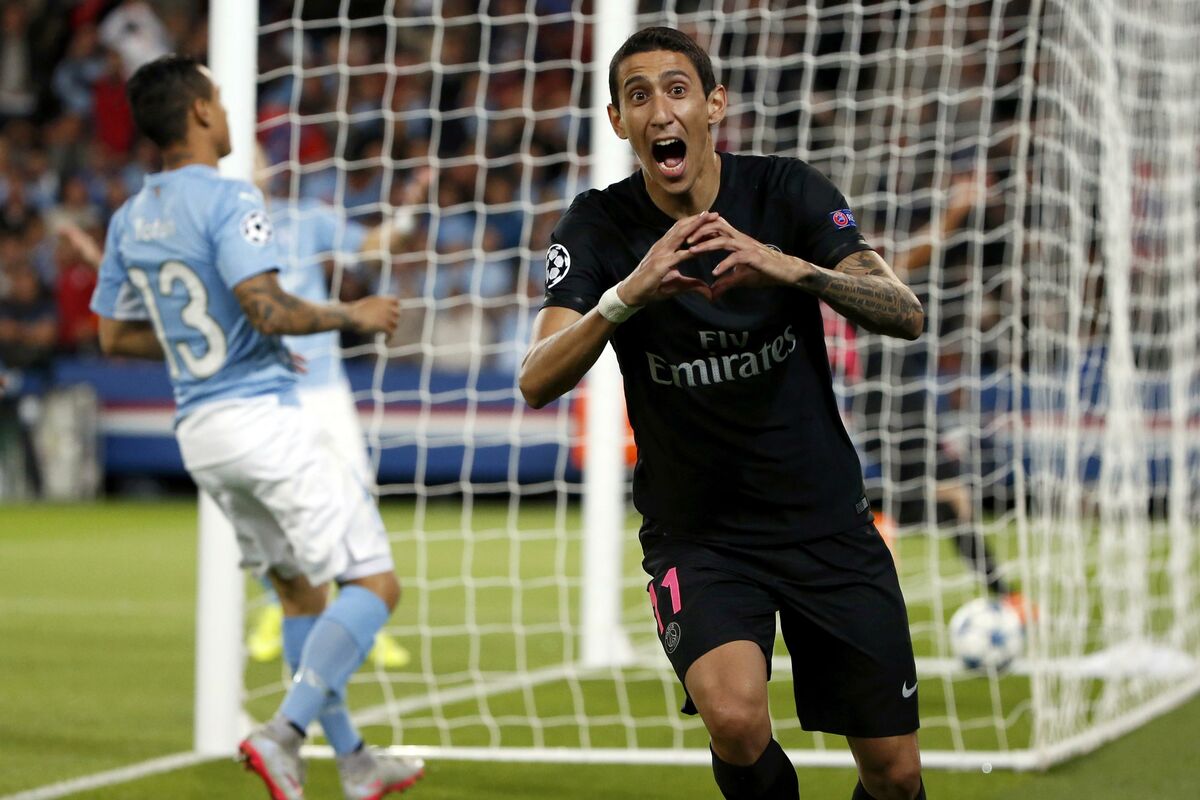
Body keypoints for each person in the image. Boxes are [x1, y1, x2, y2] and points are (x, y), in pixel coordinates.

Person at [520, 27, 927, 800]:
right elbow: (536, 378)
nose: (660, 111)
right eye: (638, 96)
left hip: (823, 521)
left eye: (677, 90)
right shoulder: (597, 226)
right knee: (736, 721)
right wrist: (626, 295)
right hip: (700, 535)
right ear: (617, 121)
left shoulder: (785, 191)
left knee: (896, 775)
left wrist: (790, 268)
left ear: (714, 105)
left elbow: (904, 312)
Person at [88, 55, 423, 799]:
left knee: (300, 594)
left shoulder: (128, 217)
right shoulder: (229, 197)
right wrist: (350, 313)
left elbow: (113, 335)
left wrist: (212, 344)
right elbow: (267, 308)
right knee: (375, 582)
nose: (230, 112)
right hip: (263, 421)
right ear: (202, 112)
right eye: (221, 98)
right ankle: (283, 732)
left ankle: (354, 761)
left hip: (201, 432)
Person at [243, 151, 431, 670]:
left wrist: (406, 216)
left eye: (258, 156)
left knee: (355, 497)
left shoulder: (303, 218)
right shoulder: (222, 233)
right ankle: (278, 608)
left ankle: (365, 619)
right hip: (261, 391)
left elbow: (370, 247)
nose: (254, 165)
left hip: (322, 387)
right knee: (272, 508)